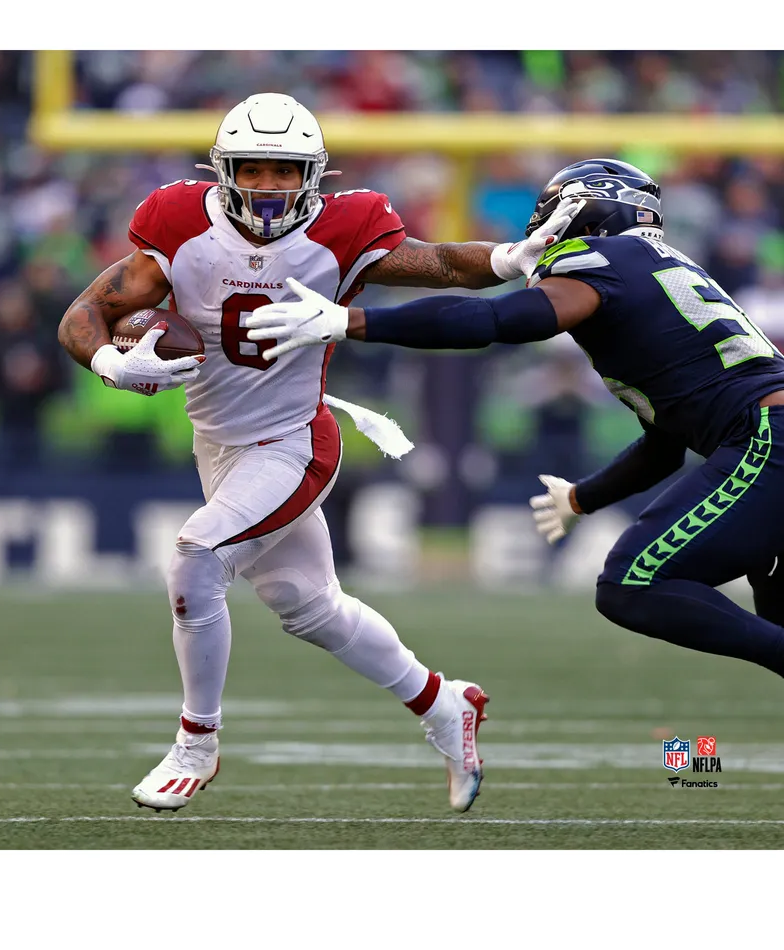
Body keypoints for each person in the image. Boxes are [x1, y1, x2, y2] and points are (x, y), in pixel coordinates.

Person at [57, 93, 577, 813]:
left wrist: (503, 257)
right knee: (308, 607)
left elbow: (438, 264)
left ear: (315, 174)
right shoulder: (178, 223)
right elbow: (84, 314)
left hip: (293, 442)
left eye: (285, 169)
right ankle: (444, 703)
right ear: (222, 171)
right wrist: (114, 366)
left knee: (196, 558)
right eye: (254, 168)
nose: (269, 183)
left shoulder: (344, 226)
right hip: (219, 444)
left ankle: (195, 743)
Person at [248, 158, 784, 681]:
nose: (540, 224)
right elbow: (666, 443)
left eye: (551, 209)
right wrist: (583, 497)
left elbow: (497, 319)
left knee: (631, 583)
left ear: (588, 213)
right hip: (764, 433)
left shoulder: (603, 262)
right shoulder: (659, 273)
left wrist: (353, 320)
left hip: (766, 437)